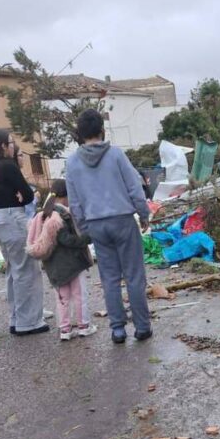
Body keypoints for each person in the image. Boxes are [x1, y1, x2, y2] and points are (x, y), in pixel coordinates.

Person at [66, 109, 153, 344]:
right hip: (123, 220)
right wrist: (144, 214)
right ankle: (142, 327)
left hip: (96, 225)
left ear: (80, 134)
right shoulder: (116, 155)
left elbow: (74, 202)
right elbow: (135, 187)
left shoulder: (72, 163)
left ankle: (117, 329)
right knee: (134, 276)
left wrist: (84, 228)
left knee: (110, 278)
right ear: (101, 131)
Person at [0, 130, 48, 336]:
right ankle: (29, 322)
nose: (13, 146)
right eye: (11, 143)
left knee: (13, 270)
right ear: (2, 146)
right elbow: (27, 194)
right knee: (26, 270)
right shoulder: (8, 165)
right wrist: (22, 194)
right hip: (12, 219)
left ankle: (16, 317)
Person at [27, 179, 96, 341]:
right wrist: (86, 239)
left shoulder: (43, 214)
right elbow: (66, 239)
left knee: (62, 298)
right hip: (71, 264)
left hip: (53, 266)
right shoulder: (60, 215)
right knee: (79, 295)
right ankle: (83, 326)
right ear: (65, 196)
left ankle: (65, 329)